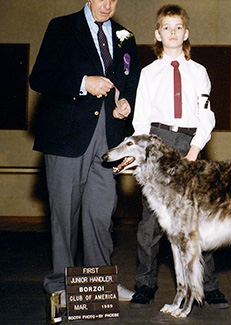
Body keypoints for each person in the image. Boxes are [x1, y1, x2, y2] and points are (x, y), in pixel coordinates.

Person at [29, 0, 140, 305]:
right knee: (65, 215)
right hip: (66, 139)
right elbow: (39, 77)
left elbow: (130, 83)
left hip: (108, 140)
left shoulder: (125, 36)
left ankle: (102, 283)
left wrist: (126, 105)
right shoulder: (61, 27)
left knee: (102, 215)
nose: (107, 4)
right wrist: (83, 83)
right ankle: (59, 286)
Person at [130, 4, 229, 309]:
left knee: (196, 218)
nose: (172, 33)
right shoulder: (148, 73)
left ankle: (207, 286)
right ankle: (145, 284)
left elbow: (206, 114)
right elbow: (140, 119)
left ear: (186, 33)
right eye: (166, 28)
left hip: (189, 142)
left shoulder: (198, 71)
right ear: (157, 34)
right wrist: (144, 155)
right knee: (151, 222)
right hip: (158, 142)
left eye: (178, 28)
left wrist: (195, 149)